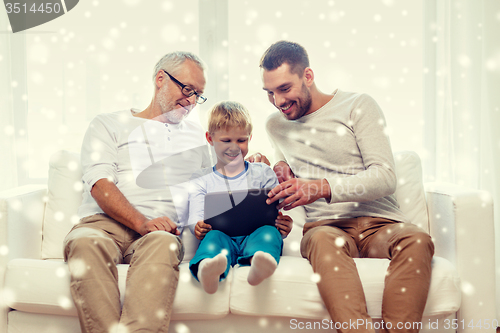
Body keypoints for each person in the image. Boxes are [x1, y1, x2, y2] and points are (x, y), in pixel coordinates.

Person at [261, 41, 434, 333]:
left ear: (308, 76)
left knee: (417, 239)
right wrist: (276, 166)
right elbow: (285, 161)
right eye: (269, 93)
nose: (278, 101)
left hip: (382, 224)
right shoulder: (275, 125)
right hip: (327, 228)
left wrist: (321, 187)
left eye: (284, 89)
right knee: (320, 241)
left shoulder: (358, 105)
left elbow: (385, 177)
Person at [63, 52, 211, 333]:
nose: (192, 101)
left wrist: (253, 162)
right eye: (187, 89)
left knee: (165, 245)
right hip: (103, 225)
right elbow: (99, 183)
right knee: (84, 243)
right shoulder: (108, 124)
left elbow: (214, 187)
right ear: (160, 79)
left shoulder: (198, 140)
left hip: (160, 233)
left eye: (198, 95)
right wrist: (141, 221)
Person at [187, 101, 293, 294]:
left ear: (250, 138)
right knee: (212, 238)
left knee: (269, 233)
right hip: (221, 238)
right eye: (226, 141)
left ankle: (259, 263)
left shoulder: (263, 173)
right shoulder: (201, 179)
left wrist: (283, 226)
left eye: (241, 140)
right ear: (210, 138)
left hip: (255, 237)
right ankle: (208, 270)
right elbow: (195, 214)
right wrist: (197, 225)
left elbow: (275, 213)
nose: (234, 148)